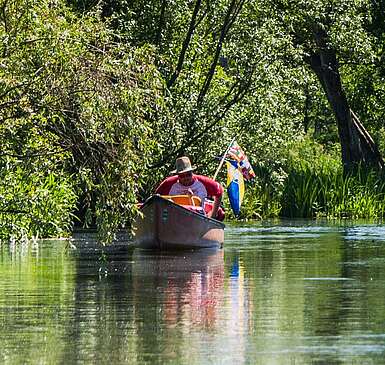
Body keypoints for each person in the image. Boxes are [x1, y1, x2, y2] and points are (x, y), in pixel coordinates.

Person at [155, 156, 225, 220]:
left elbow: (219, 192)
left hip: (199, 218)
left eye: (188, 174)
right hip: (173, 217)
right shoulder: (169, 183)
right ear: (178, 175)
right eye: (182, 176)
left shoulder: (203, 182)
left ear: (192, 172)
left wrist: (212, 215)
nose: (186, 178)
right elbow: (155, 197)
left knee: (220, 213)